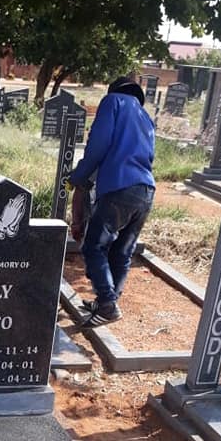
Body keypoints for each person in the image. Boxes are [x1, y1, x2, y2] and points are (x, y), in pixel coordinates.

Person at [69, 77, 155, 326]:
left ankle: (107, 304)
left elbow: (98, 145)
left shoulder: (113, 102)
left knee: (93, 246)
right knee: (122, 251)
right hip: (146, 191)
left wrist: (78, 176)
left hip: (120, 187)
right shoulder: (145, 117)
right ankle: (108, 301)